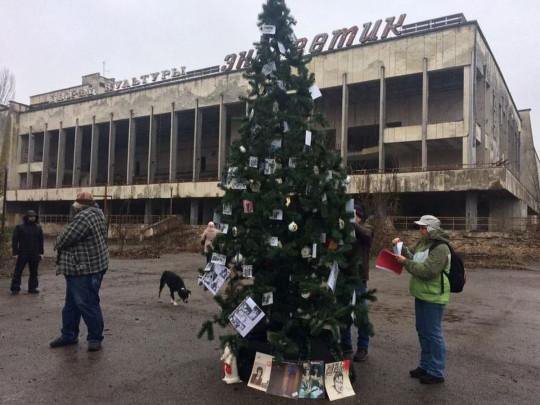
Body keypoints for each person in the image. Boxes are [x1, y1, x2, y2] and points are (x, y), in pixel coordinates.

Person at [393, 215, 450, 384]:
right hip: (421, 293)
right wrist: (400, 248)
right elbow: (413, 258)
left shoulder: (441, 248)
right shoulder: (423, 243)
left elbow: (427, 271)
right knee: (423, 331)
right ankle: (425, 366)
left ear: (432, 229)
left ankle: (436, 371)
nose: (420, 230)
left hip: (434, 296)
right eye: (419, 227)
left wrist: (405, 263)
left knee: (433, 334)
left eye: (423, 228)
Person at [49, 192, 108, 352]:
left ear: (79, 206)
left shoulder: (84, 217)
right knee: (72, 305)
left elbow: (62, 240)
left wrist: (59, 237)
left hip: (84, 269)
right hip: (84, 268)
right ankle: (69, 335)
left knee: (86, 303)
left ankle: (94, 338)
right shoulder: (98, 213)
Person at [341, 205, 373, 362]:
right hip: (344, 278)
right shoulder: (345, 231)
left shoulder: (366, 229)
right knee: (344, 313)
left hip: (359, 279)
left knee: (361, 314)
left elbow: (367, 235)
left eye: (355, 216)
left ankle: (363, 347)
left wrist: (352, 222)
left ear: (360, 217)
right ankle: (346, 347)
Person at [10, 210, 44, 294]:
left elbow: (41, 241)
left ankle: (32, 288)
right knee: (18, 271)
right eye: (30, 216)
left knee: (34, 272)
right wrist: (15, 253)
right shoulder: (19, 227)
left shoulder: (38, 228)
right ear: (26, 217)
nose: (32, 218)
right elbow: (15, 240)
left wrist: (41, 253)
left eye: (34, 216)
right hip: (22, 253)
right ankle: (15, 288)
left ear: (36, 217)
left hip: (35, 253)